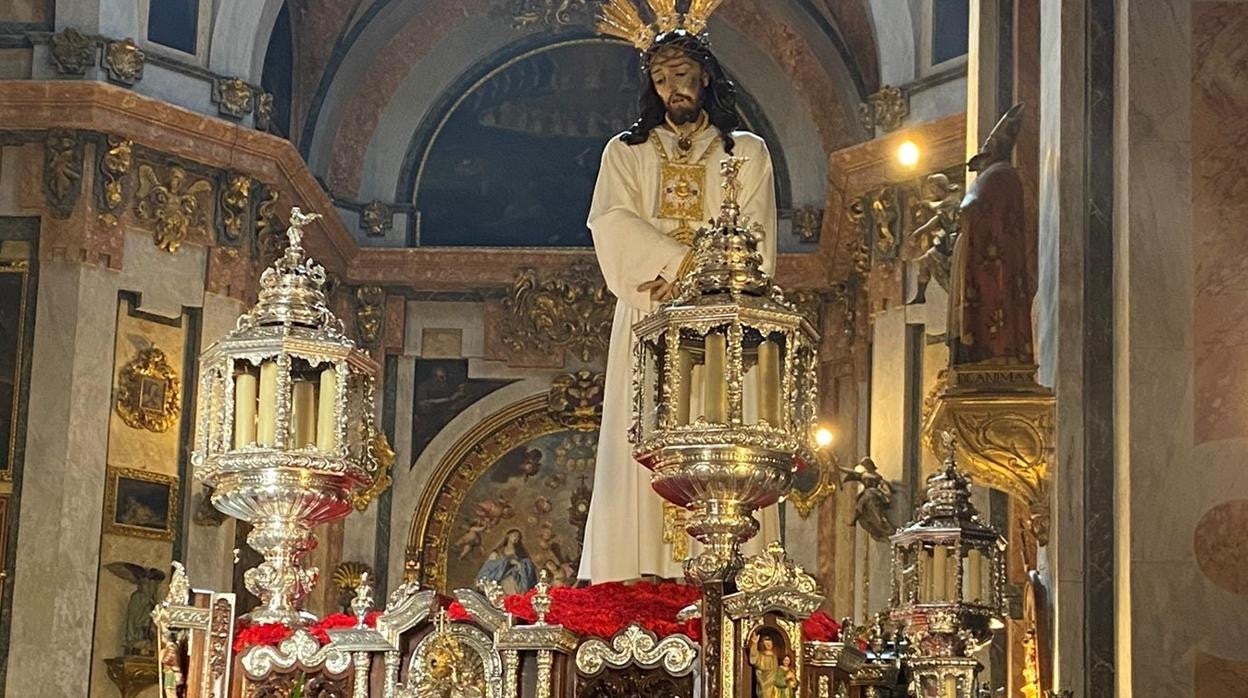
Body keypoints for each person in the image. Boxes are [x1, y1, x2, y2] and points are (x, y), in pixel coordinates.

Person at [578, 17, 779, 584]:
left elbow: (758, 238)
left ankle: (731, 576)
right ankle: (633, 573)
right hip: (650, 314)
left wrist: (699, 274)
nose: (674, 88)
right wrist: (676, 264)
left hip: (724, 321)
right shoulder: (626, 152)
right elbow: (612, 221)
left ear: (707, 77)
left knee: (726, 431)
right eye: (662, 78)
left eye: (684, 74)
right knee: (640, 431)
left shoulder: (747, 153)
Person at [948, 103, 1034, 365]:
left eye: (989, 144)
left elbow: (974, 209)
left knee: (992, 310)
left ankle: (994, 356)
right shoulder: (994, 176)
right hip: (976, 253)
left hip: (992, 264)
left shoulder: (1001, 175)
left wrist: (962, 213)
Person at [476, 529, 538, 595]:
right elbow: (490, 566)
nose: (516, 538)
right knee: (508, 581)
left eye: (518, 537)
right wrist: (508, 562)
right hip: (501, 578)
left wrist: (521, 565)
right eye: (514, 535)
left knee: (513, 581)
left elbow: (528, 566)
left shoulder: (520, 553)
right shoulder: (499, 552)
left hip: (517, 578)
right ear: (508, 536)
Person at [748, 630, 781, 698]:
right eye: (766, 643)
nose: (768, 644)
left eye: (769, 642)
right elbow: (753, 659)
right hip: (764, 684)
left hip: (774, 684)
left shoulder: (775, 656)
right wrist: (754, 644)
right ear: (763, 644)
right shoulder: (761, 656)